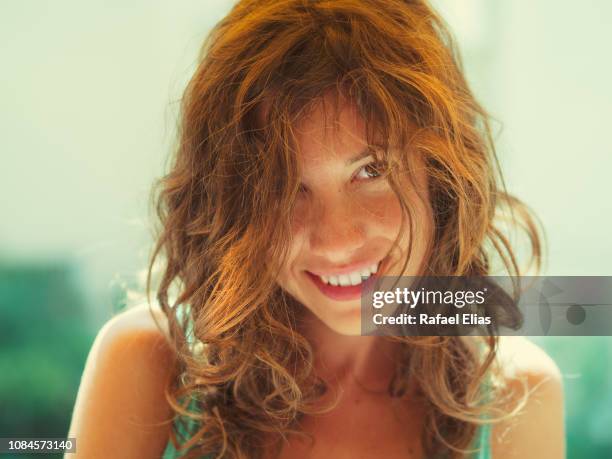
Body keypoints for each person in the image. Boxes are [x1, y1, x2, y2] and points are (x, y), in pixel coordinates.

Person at [67, 0, 565, 458]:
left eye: (371, 171)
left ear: (440, 175)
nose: (337, 239)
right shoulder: (148, 368)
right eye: (283, 187)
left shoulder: (517, 397)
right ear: (232, 206)